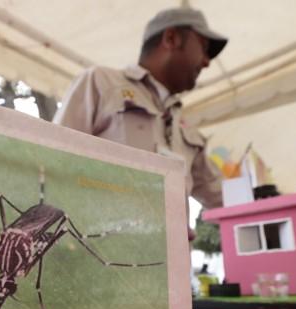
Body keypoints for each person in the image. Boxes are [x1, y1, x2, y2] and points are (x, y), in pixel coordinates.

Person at [54, 7, 228, 209]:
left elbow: (222, 197)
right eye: (203, 47)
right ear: (171, 38)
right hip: (103, 239)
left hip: (175, 241)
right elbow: (54, 161)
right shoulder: (102, 83)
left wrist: (263, 197)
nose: (207, 62)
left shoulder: (184, 125)